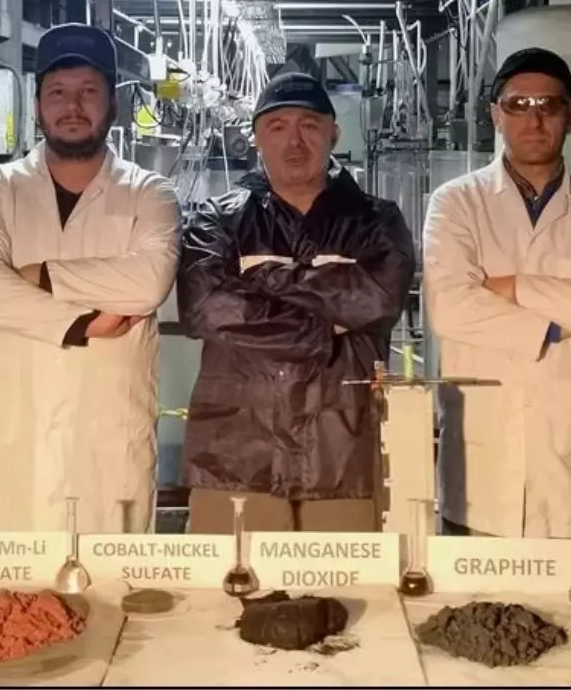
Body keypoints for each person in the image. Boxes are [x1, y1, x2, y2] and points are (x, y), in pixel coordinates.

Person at [0, 23, 180, 534]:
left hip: (110, 449)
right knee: (17, 581)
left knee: (116, 579)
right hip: (20, 447)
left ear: (113, 104)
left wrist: (34, 275)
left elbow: (147, 283)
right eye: (57, 91)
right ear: (37, 105)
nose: (72, 106)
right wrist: (81, 323)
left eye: (88, 91)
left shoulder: (150, 193)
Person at [423, 47, 571, 539]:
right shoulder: (456, 204)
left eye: (549, 105)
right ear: (495, 115)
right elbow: (452, 309)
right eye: (518, 105)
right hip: (479, 480)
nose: (534, 119)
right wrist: (566, 318)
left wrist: (512, 288)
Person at [178, 72, 416, 534]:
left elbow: (379, 299)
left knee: (344, 578)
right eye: (277, 126)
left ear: (334, 133)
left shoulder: (376, 221)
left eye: (309, 125)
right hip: (235, 455)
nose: (294, 141)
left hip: (342, 454)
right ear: (256, 138)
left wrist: (265, 276)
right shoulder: (217, 220)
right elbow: (206, 309)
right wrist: (326, 327)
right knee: (230, 579)